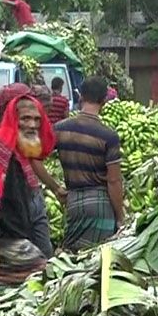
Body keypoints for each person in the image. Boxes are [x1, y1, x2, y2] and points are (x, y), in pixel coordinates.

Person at [0, 93, 55, 300]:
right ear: (13, 119)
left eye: (36, 119)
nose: (32, 125)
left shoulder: (18, 152)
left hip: (13, 234)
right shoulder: (0, 152)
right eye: (25, 118)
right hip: (2, 239)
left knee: (0, 287)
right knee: (46, 275)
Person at [0, 83, 63, 256]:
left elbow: (34, 160)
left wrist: (55, 187)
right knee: (14, 248)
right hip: (7, 196)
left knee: (43, 249)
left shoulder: (28, 131)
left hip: (30, 191)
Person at [54, 76, 125, 252]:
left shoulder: (60, 128)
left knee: (72, 258)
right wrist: (120, 216)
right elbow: (114, 181)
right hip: (100, 204)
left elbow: (34, 158)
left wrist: (54, 187)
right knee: (96, 261)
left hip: (73, 202)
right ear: (104, 101)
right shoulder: (108, 136)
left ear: (81, 97)